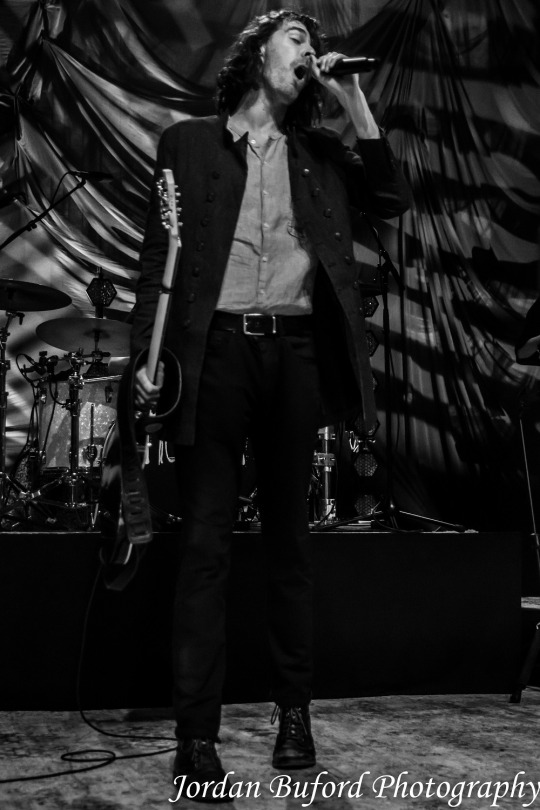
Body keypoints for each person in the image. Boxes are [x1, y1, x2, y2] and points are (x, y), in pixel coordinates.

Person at [130, 8, 411, 802]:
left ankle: (295, 715)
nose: (310, 51)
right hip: (213, 355)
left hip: (293, 357)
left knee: (291, 546)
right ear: (256, 53)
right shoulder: (187, 144)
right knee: (205, 547)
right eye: (296, 39)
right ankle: (196, 735)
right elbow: (156, 261)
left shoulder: (320, 152)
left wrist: (353, 100)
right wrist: (145, 358)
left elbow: (390, 198)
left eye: (313, 44)